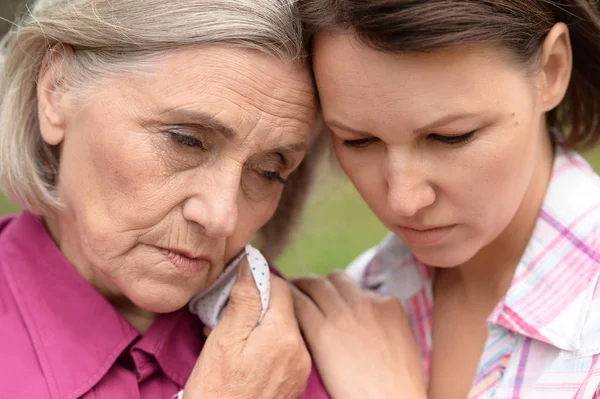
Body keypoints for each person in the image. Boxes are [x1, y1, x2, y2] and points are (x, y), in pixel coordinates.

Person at [0, 0, 329, 398]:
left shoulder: (308, 352)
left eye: (269, 171)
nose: (222, 217)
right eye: (186, 140)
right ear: (57, 89)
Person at [293, 1, 600, 398]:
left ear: (551, 69)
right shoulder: (352, 305)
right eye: (358, 141)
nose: (404, 201)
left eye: (451, 136)